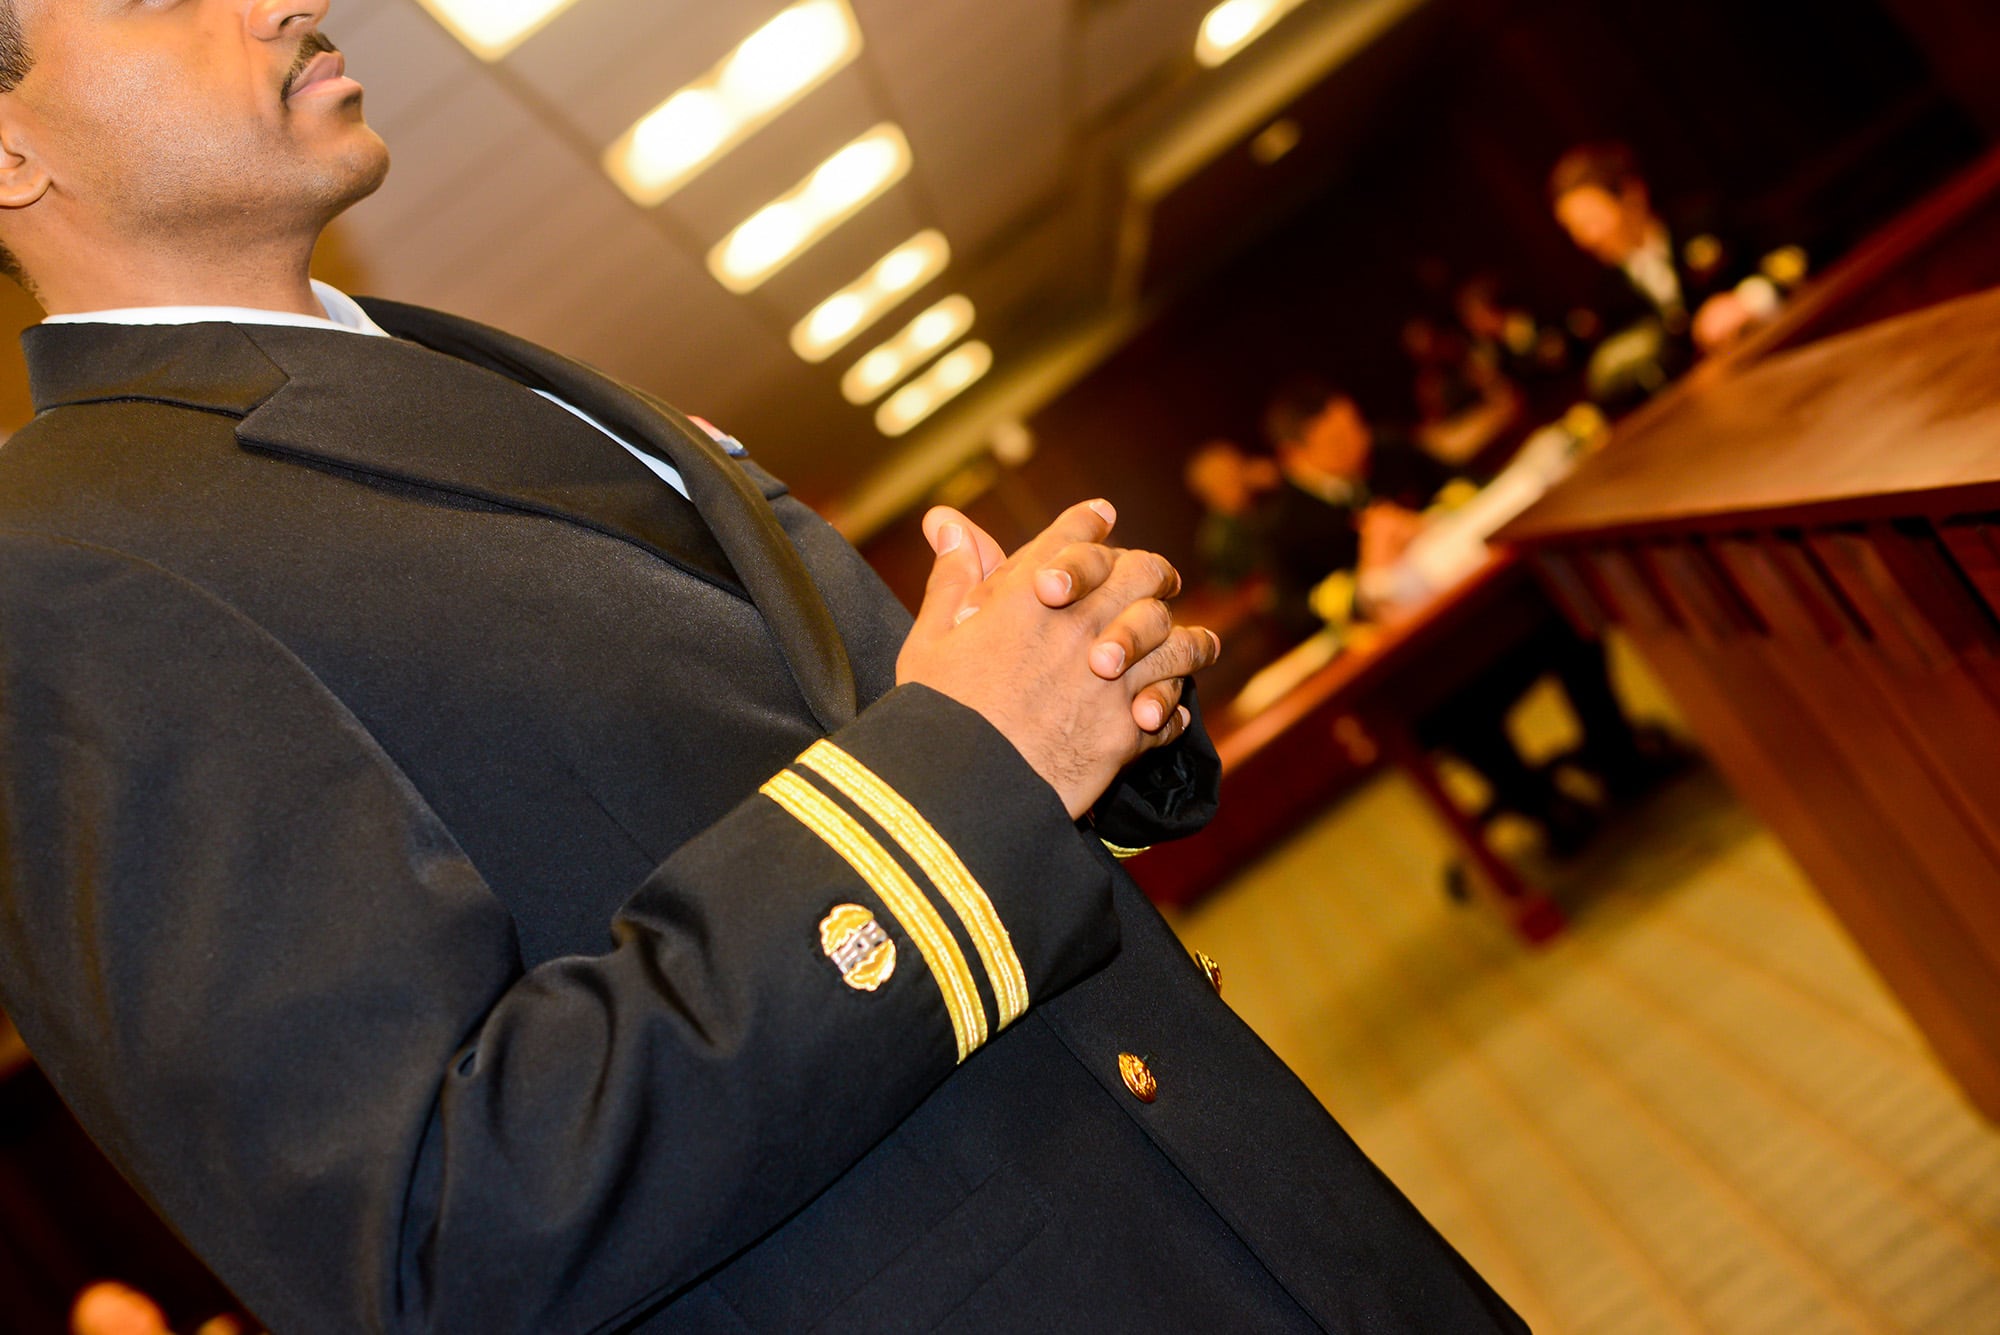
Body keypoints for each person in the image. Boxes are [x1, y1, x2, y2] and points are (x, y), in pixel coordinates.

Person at [0, 3, 1525, 1332]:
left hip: (1238, 1213)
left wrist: (1073, 708)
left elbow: (800, 759)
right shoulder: (62, 570)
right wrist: (972, 771)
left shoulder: (445, 361)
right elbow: (430, 1224)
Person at [1262, 377, 1669, 850]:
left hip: (1481, 619)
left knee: (1563, 619)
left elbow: (1468, 487)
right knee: (1456, 717)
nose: (1357, 443)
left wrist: (1428, 522)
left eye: (1355, 427)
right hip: (1419, 670)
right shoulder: (1281, 527)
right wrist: (1367, 579)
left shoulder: (1390, 449)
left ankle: (1619, 758)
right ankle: (1543, 808)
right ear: (1296, 456)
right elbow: (1292, 614)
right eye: (1335, 441)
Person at [1548, 142, 1798, 404]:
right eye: (1574, 229)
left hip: (1778, 365)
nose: (1588, 238)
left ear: (1633, 196)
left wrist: (1748, 299)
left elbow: (1790, 251)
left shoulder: (1705, 221)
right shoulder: (1605, 293)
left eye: (1592, 220)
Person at [1182, 437, 1278, 589]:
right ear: (1208, 491)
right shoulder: (1219, 540)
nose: (1241, 479)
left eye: (1239, 468)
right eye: (1229, 477)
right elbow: (1226, 595)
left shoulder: (1263, 507)